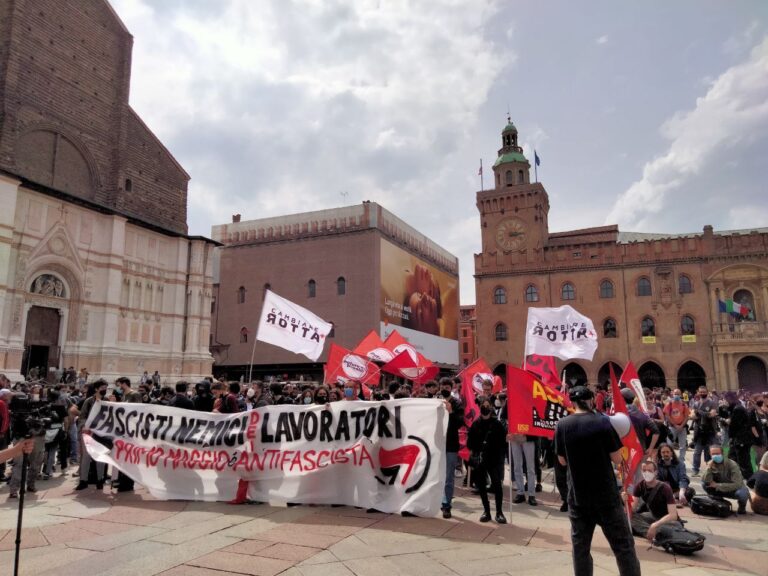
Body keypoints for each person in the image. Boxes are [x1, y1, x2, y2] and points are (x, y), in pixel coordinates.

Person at [555, 386, 640, 576]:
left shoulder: (562, 424)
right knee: (623, 547)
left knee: (581, 550)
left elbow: (561, 460)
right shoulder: (602, 422)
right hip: (606, 497)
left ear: (572, 402)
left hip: (578, 496)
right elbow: (617, 458)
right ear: (591, 400)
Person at [467, 397, 507, 524]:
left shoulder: (497, 424)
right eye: (483, 405)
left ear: (491, 407)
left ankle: (499, 512)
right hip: (480, 459)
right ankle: (487, 511)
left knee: (497, 485)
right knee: (482, 486)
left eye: (487, 405)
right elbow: (470, 443)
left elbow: (503, 442)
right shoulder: (475, 424)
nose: (485, 408)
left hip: (494, 459)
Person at [630, 459, 679, 541]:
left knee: (670, 526)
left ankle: (654, 532)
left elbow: (673, 515)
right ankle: (654, 534)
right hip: (653, 516)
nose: (646, 473)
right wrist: (625, 500)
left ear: (655, 472)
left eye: (649, 470)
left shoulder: (665, 488)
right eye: (644, 470)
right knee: (629, 517)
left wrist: (655, 525)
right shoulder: (640, 486)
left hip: (667, 520)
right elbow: (632, 509)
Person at [76, 381, 110, 491]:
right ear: (96, 389)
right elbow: (82, 416)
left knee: (100, 457)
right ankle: (83, 481)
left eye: (105, 387)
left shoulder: (107, 402)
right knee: (86, 457)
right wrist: (85, 426)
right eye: (102, 387)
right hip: (89, 433)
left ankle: (100, 480)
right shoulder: (89, 401)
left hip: (101, 434)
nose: (104, 389)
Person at [701, 444, 750, 514]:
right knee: (703, 483)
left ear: (722, 453)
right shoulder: (710, 464)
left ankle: (742, 507)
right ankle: (717, 500)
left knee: (743, 493)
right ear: (710, 454)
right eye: (713, 454)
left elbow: (737, 484)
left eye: (717, 454)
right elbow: (706, 481)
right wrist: (708, 468)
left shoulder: (732, 464)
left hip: (733, 490)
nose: (715, 456)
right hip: (719, 490)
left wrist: (718, 485)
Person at [725, 391, 759, 480]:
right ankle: (731, 478)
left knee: (744, 462)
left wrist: (729, 423)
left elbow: (735, 425)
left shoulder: (738, 409)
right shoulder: (736, 407)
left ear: (729, 399)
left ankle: (751, 480)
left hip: (742, 440)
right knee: (732, 459)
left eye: (726, 399)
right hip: (738, 439)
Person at [441, 379, 462, 519]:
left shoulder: (457, 403)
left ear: (451, 388)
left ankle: (446, 504)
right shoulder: (434, 401)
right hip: (436, 444)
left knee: (448, 477)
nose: (445, 389)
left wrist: (451, 412)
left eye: (447, 387)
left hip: (450, 445)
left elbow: (460, 423)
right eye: (443, 387)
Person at [691, 387, 718, 476]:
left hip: (710, 430)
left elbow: (712, 414)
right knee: (697, 452)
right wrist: (705, 414)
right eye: (701, 392)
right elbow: (692, 416)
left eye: (704, 392)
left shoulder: (712, 403)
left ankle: (709, 468)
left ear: (707, 392)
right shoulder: (695, 403)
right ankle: (695, 469)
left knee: (709, 451)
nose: (702, 393)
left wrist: (699, 412)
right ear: (698, 393)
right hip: (699, 431)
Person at [663, 389, 690, 462]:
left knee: (683, 445)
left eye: (678, 394)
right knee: (669, 444)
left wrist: (681, 425)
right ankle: (671, 459)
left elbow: (686, 416)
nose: (676, 395)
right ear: (672, 394)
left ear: (681, 395)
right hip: (672, 427)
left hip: (682, 427)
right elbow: (667, 416)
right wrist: (675, 425)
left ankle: (681, 460)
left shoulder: (684, 404)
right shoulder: (669, 404)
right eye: (675, 394)